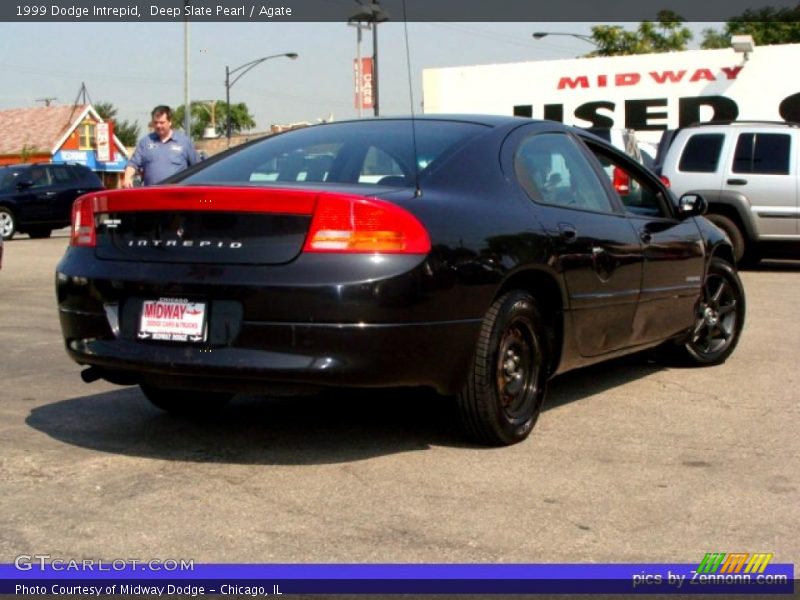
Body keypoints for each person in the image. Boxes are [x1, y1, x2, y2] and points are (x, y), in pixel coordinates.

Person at [122, 105, 199, 188]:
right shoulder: (145, 142)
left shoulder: (184, 142)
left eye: (162, 122)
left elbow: (198, 168)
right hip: (152, 193)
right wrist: (127, 178)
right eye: (155, 122)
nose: (158, 126)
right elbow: (133, 164)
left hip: (177, 193)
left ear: (170, 122)